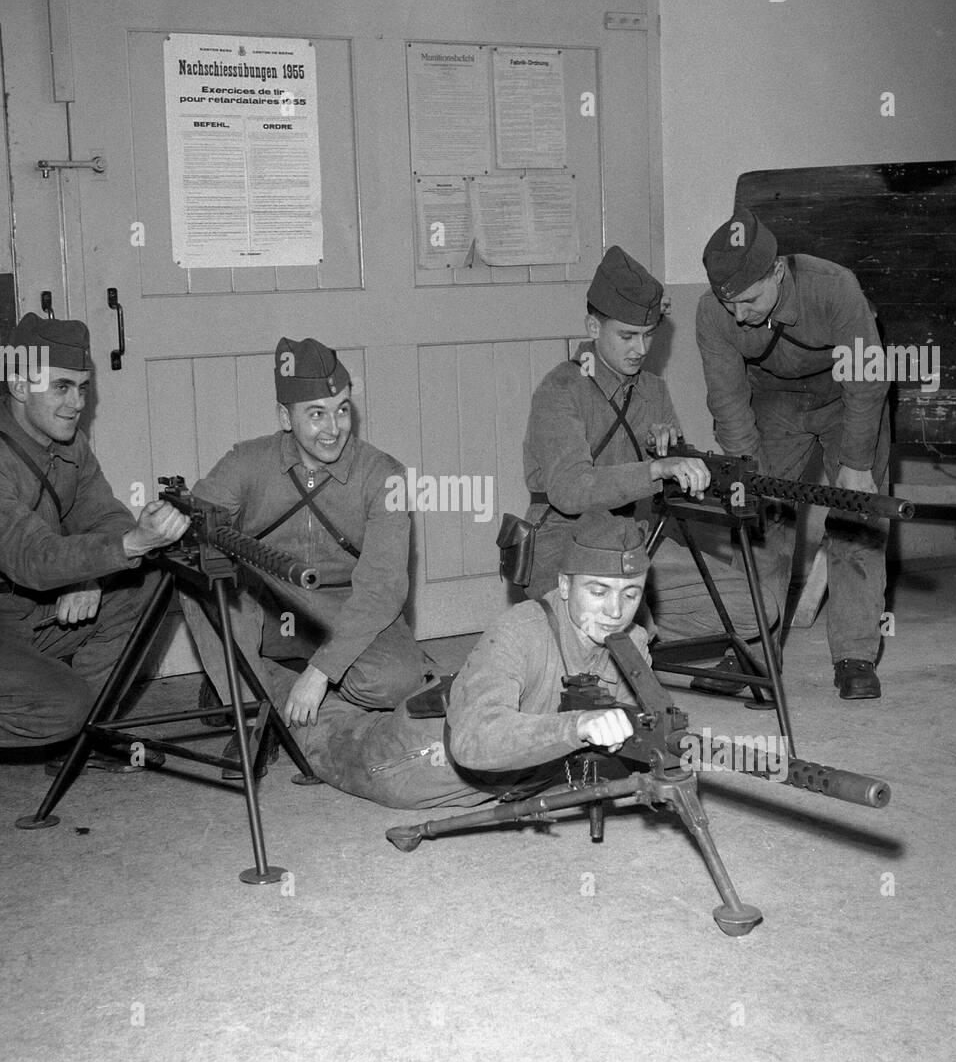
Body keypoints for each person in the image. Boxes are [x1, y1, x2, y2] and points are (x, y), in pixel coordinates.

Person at [0, 314, 190, 806]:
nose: (77, 403)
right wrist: (128, 546)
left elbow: (104, 516)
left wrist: (97, 569)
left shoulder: (70, 446)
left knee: (151, 582)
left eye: (84, 388)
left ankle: (84, 736)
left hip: (25, 611)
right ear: (17, 384)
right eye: (62, 387)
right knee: (62, 705)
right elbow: (31, 558)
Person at [521, 244, 780, 690]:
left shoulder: (652, 390)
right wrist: (655, 470)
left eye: (649, 334)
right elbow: (571, 490)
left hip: (634, 539)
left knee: (758, 609)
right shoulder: (561, 390)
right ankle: (597, 639)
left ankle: (627, 638)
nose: (641, 349)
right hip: (565, 540)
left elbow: (668, 489)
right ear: (592, 326)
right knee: (607, 654)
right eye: (626, 336)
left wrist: (683, 461)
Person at [290, 513, 663, 808]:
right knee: (313, 729)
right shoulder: (524, 628)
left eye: (631, 594)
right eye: (598, 592)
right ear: (565, 586)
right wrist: (576, 726)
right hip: (419, 760)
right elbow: (471, 741)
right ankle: (279, 671)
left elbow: (636, 729)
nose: (616, 611)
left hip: (514, 779)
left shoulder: (632, 643)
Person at [184, 337, 427, 735]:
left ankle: (247, 682)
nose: (333, 429)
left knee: (397, 681)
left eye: (342, 410)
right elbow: (197, 518)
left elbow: (382, 590)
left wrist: (319, 673)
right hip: (264, 604)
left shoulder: (384, 476)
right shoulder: (246, 461)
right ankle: (248, 702)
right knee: (199, 572)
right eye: (316, 414)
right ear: (285, 417)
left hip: (343, 606)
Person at [695, 207, 892, 699]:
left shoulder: (835, 288)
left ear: (777, 271)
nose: (739, 315)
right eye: (729, 303)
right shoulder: (712, 313)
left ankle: (855, 654)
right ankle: (754, 647)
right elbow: (727, 398)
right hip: (776, 398)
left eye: (749, 299)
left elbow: (866, 380)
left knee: (857, 519)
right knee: (761, 517)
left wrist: (858, 465)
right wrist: (746, 471)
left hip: (846, 395)